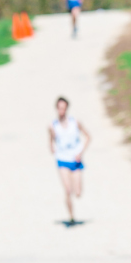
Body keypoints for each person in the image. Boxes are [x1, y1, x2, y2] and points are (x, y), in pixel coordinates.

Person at [48, 96, 91, 226]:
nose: (61, 110)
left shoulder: (75, 122)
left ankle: (76, 196)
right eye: (59, 108)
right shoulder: (53, 126)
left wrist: (80, 152)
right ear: (56, 108)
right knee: (67, 190)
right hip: (62, 159)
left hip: (75, 160)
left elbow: (88, 137)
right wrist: (52, 147)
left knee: (77, 193)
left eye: (63, 108)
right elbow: (51, 141)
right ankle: (71, 216)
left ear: (67, 109)